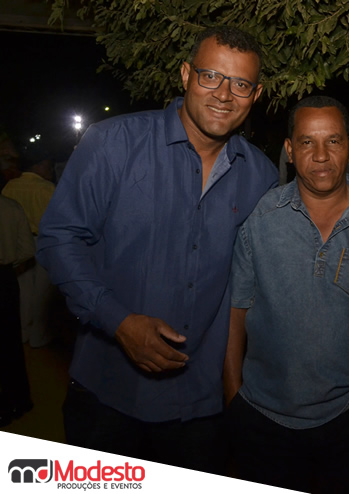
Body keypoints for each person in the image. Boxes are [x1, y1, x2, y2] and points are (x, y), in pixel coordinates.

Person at [36, 26, 277, 473]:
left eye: (241, 84)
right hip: (107, 395)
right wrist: (118, 321)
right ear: (186, 74)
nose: (224, 94)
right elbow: (58, 238)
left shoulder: (261, 176)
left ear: (256, 94)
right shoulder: (113, 143)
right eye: (211, 76)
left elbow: (255, 283)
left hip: (201, 409)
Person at [224, 95, 349, 493]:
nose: (320, 155)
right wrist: (234, 398)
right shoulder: (261, 219)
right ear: (289, 150)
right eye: (307, 142)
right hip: (263, 418)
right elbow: (236, 310)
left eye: (332, 141)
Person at [2, 151, 56, 347]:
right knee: (43, 293)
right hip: (44, 242)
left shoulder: (10, 186)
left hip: (18, 241)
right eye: (47, 166)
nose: (49, 170)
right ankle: (38, 335)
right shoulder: (47, 188)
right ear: (38, 166)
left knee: (24, 289)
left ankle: (23, 331)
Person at [0, 194, 35, 427]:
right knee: (10, 342)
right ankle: (21, 400)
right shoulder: (12, 207)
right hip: (6, 280)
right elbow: (28, 249)